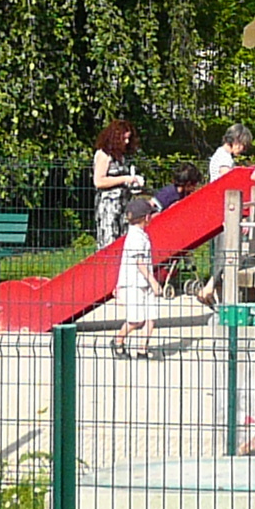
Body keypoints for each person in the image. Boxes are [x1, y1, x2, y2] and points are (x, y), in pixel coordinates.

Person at [108, 184, 166, 358]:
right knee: (136, 319)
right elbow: (139, 262)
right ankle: (118, 340)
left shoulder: (141, 234)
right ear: (147, 217)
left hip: (143, 283)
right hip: (134, 283)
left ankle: (142, 349)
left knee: (150, 317)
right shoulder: (134, 237)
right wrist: (154, 282)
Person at [90, 121, 147, 248]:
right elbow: (99, 181)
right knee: (109, 242)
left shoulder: (122, 156)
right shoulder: (103, 155)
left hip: (124, 204)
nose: (126, 142)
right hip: (109, 206)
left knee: (125, 241)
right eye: (124, 138)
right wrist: (125, 179)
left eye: (128, 138)